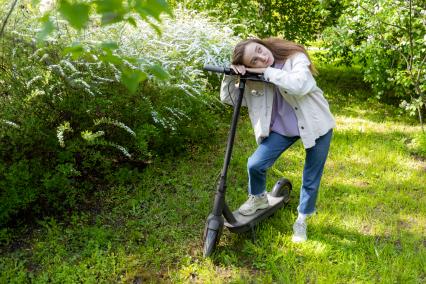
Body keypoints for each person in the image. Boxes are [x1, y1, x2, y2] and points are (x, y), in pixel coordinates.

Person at [220, 37, 335, 243]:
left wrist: (265, 71)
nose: (261, 58)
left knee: (310, 177)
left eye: (259, 50)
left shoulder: (295, 58)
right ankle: (258, 198)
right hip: (283, 129)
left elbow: (300, 84)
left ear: (263, 43)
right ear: (249, 66)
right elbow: (230, 98)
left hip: (315, 125)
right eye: (254, 61)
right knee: (255, 164)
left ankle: (302, 219)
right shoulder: (255, 76)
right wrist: (232, 74)